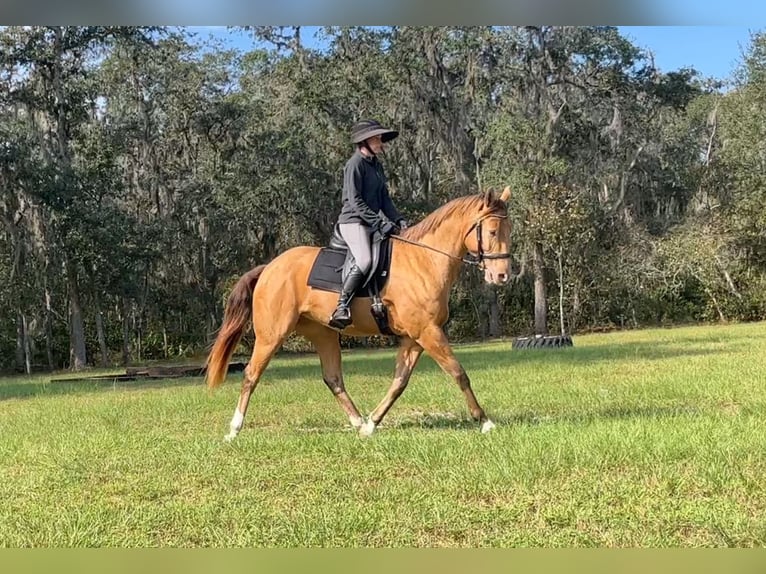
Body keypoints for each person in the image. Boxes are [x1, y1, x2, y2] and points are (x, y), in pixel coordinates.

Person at [328, 119, 409, 329]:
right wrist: (381, 223)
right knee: (364, 260)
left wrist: (398, 220)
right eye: (376, 138)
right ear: (364, 142)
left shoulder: (376, 166)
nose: (381, 142)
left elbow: (384, 200)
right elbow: (355, 202)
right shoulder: (354, 164)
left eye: (380, 138)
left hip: (371, 223)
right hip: (353, 222)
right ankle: (341, 306)